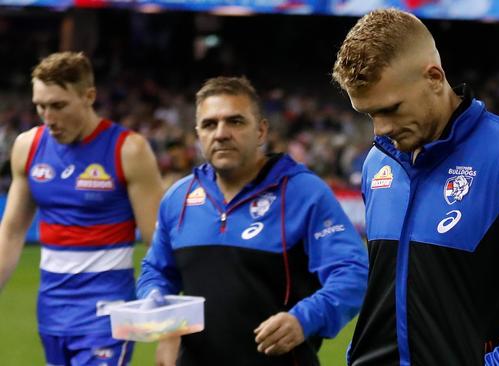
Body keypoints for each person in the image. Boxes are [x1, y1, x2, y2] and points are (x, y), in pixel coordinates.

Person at [332, 8, 499, 366]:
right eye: (369, 114)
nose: (381, 129)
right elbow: (383, 295)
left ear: (434, 77)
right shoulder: (378, 164)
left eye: (391, 108)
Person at [136, 76, 368, 366]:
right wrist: (159, 311)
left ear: (261, 131)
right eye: (209, 124)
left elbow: (352, 272)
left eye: (235, 122)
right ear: (198, 135)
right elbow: (157, 270)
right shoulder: (178, 198)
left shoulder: (302, 193)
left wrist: (303, 320)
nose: (221, 133)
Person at [0, 52, 163, 365]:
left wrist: (169, 321)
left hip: (107, 316)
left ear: (89, 96)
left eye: (59, 105)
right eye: (40, 106)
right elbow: (11, 231)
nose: (48, 117)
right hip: (51, 313)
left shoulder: (128, 150)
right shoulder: (28, 146)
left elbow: (156, 239)